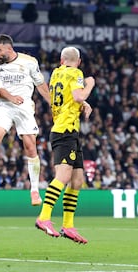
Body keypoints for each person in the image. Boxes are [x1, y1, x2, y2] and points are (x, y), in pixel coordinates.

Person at [0, 34, 51, 206]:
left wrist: (52, 104)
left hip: (24, 107)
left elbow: (41, 85)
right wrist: (11, 97)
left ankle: (35, 191)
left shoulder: (29, 62)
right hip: (5, 106)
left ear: (8, 48)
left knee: (30, 147)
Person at [35, 46, 95, 244]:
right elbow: (78, 95)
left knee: (77, 180)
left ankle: (68, 226)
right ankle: (44, 217)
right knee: (64, 177)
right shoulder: (76, 73)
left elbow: (68, 99)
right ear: (78, 62)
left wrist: (82, 104)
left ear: (62, 61)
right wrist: (90, 84)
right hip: (64, 131)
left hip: (70, 131)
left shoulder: (55, 74)